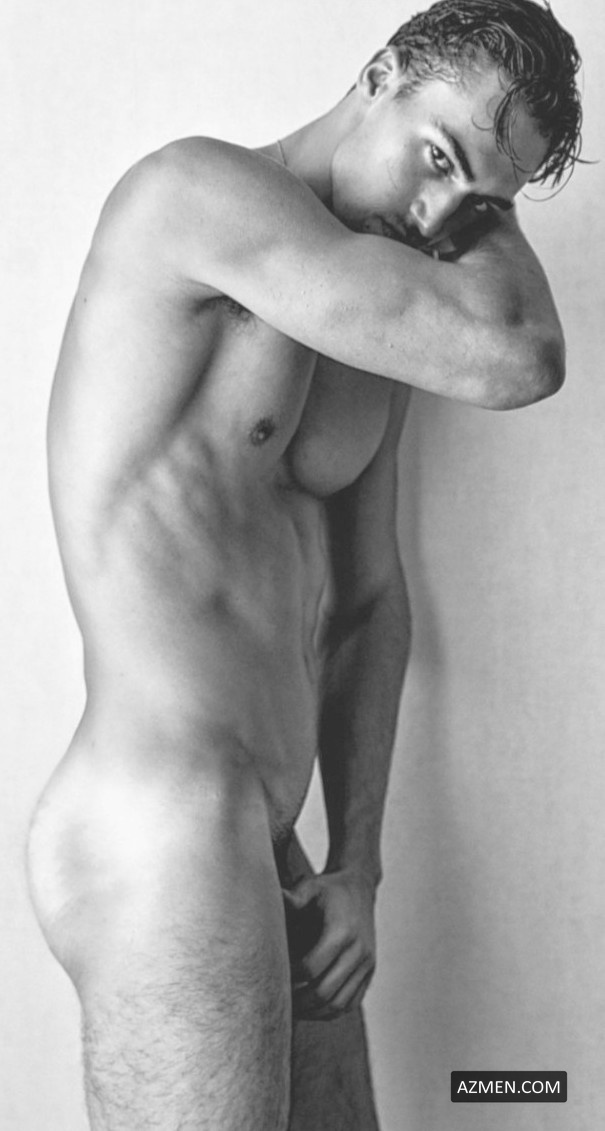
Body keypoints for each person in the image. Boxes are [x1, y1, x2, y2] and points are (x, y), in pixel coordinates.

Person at [26, 0, 582, 1127]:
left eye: (480, 207)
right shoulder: (195, 193)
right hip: (165, 818)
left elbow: (370, 603)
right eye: (437, 160)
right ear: (378, 74)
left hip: (276, 846)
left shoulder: (374, 324)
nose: (439, 218)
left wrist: (355, 864)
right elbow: (523, 354)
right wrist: (486, 178)